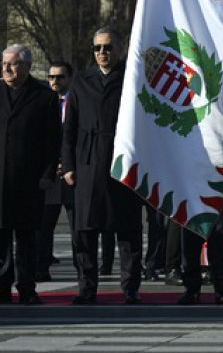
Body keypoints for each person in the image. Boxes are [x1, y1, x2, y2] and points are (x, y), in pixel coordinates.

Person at [63, 28, 146, 305]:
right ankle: (87, 288)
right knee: (84, 231)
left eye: (108, 47)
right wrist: (69, 165)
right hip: (87, 164)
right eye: (97, 48)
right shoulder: (81, 81)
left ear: (119, 49)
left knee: (128, 230)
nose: (102, 53)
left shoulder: (132, 78)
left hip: (122, 162)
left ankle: (130, 287)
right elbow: (69, 128)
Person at [0, 44, 61, 305]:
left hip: (29, 179)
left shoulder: (44, 97)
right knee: (1, 239)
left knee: (26, 237)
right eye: (3, 64)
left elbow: (52, 141)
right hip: (1, 180)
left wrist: (48, 174)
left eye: (12, 64)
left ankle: (27, 287)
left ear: (26, 65)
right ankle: (2, 288)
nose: (6, 68)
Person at [37, 61, 74, 284]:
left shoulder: (75, 102)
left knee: (78, 225)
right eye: (51, 77)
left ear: (69, 78)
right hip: (50, 174)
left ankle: (84, 272)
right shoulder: (42, 102)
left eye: (59, 77)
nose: (54, 81)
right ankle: (42, 267)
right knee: (44, 226)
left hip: (70, 173)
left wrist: (67, 163)